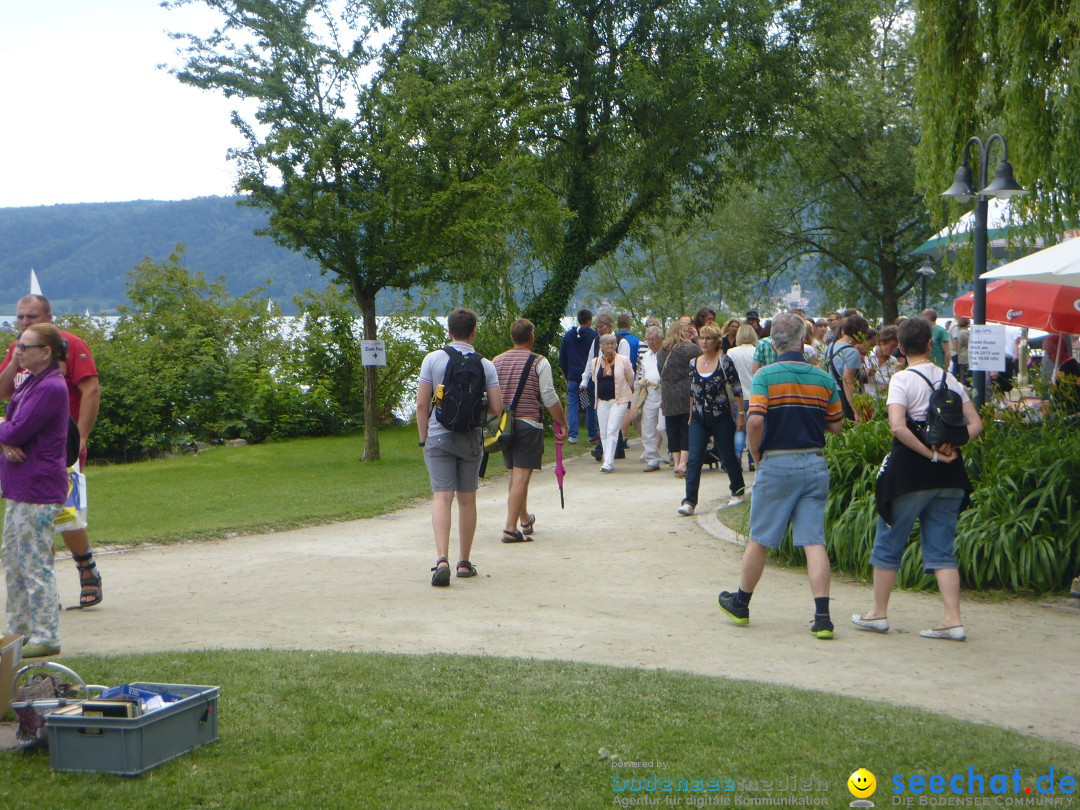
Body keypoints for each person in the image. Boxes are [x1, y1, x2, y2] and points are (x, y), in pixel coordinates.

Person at [852, 316, 983, 641]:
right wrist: (950, 447)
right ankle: (952, 619)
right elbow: (976, 424)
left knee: (889, 538)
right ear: (929, 345)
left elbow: (897, 426)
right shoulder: (951, 380)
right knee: (941, 549)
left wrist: (930, 453)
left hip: (910, 473)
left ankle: (878, 612)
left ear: (900, 346)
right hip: (951, 474)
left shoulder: (901, 380)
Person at [717, 312, 843, 639]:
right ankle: (822, 616)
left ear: (772, 342)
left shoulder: (765, 377)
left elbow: (756, 420)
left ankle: (742, 603)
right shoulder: (823, 378)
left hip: (777, 462)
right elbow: (837, 423)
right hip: (814, 462)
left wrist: (756, 453)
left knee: (761, 537)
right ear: (803, 340)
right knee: (813, 541)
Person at [0, 294, 103, 608]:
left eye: (32, 317)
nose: (25, 323)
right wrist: (15, 360)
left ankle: (86, 568)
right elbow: (4, 392)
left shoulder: (69, 345)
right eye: (20, 317)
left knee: (65, 514)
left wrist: (81, 436)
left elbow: (91, 390)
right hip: (21, 445)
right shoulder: (19, 351)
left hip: (58, 445)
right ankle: (45, 591)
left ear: (49, 317)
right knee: (33, 523)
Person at [416, 308, 503, 585]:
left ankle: (442, 558)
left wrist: (423, 438)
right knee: (467, 499)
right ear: (474, 331)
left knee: (442, 496)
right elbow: (497, 408)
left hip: (438, 436)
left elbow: (421, 404)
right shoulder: (485, 365)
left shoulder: (433, 359)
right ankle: (464, 562)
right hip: (470, 438)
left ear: (449, 330)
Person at [1, 323, 71, 657]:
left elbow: (18, 428)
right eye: (19, 345)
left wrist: (4, 433)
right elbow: (11, 427)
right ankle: (17, 633)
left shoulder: (51, 387)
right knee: (13, 561)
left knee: (34, 563)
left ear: (47, 352)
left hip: (38, 488)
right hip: (18, 486)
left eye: (26, 347)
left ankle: (46, 635)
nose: (19, 350)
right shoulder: (31, 381)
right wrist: (6, 438)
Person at [492, 319, 568, 543]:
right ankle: (509, 528)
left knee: (515, 476)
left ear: (512, 337)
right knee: (522, 477)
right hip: (528, 424)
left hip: (504, 426)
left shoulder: (496, 362)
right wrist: (562, 422)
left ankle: (524, 519)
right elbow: (549, 396)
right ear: (531, 335)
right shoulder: (539, 362)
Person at [677, 323, 746, 516]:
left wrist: (741, 414)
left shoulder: (724, 361)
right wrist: (691, 415)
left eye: (709, 338)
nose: (704, 342)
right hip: (699, 416)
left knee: (727, 456)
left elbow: (737, 388)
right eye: (702, 338)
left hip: (721, 415)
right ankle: (689, 501)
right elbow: (692, 391)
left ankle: (738, 490)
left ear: (717, 341)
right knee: (694, 458)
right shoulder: (693, 363)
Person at [658, 321, 701, 478]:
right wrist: (696, 338)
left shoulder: (662, 352)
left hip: (668, 394)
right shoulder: (689, 349)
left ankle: (675, 463)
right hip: (685, 393)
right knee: (686, 428)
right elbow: (704, 355)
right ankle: (683, 463)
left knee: (672, 429)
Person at [587, 333, 635, 472]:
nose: (609, 346)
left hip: (619, 400)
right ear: (601, 346)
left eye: (612, 343)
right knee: (603, 432)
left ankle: (608, 462)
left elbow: (630, 378)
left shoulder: (623, 360)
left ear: (616, 345)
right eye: (606, 343)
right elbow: (595, 380)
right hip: (602, 400)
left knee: (612, 429)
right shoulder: (595, 362)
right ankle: (608, 460)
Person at [559, 309, 599, 445]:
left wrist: (566, 373)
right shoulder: (594, 336)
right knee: (589, 405)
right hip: (587, 378)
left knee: (573, 405)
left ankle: (573, 436)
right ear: (589, 321)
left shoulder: (568, 336)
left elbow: (562, 357)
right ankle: (592, 433)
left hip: (573, 376)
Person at [629, 325, 664, 471]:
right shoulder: (646, 355)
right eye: (648, 340)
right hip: (649, 391)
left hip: (663, 391)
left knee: (663, 426)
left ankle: (673, 453)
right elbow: (642, 373)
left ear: (661, 339)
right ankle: (652, 458)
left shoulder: (666, 353)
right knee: (647, 426)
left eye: (654, 339)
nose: (651, 342)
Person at [824, 313, 869, 422]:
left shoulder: (830, 347)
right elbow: (848, 383)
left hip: (829, 395)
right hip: (843, 398)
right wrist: (857, 412)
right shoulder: (851, 352)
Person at [725, 325, 759, 471]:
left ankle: (737, 456)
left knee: (739, 429)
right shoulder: (757, 351)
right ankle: (753, 459)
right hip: (754, 395)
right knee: (755, 428)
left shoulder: (731, 352)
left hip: (737, 396)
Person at [864, 325, 900, 396]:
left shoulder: (893, 361)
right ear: (883, 342)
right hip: (866, 401)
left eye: (896, 347)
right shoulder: (867, 356)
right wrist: (864, 374)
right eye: (892, 346)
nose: (894, 350)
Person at [953, 317, 971, 385]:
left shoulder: (960, 331)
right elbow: (969, 344)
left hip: (961, 356)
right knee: (964, 376)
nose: (970, 321)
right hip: (965, 357)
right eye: (968, 320)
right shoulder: (965, 332)